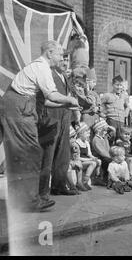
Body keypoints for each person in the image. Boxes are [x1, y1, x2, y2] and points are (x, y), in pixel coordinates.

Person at [0, 40, 79, 212]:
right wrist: (70, 99)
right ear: (50, 53)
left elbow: (48, 102)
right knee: (31, 153)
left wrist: (64, 105)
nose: (61, 58)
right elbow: (52, 95)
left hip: (17, 106)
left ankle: (24, 199)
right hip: (19, 108)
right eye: (59, 54)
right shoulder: (42, 67)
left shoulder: (39, 68)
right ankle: (29, 202)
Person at [36, 49, 79, 198]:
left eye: (67, 60)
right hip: (51, 119)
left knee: (63, 154)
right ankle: (41, 192)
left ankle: (59, 185)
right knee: (47, 156)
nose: (65, 62)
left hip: (64, 118)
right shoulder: (49, 74)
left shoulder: (64, 77)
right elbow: (46, 99)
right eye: (63, 59)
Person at [75, 122, 102, 190]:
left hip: (87, 160)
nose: (89, 135)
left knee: (98, 161)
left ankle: (96, 177)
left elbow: (89, 154)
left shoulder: (86, 143)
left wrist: (93, 158)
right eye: (87, 133)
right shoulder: (76, 143)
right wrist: (90, 160)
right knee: (93, 163)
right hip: (80, 161)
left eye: (89, 133)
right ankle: (85, 181)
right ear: (80, 133)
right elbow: (77, 158)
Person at [91, 120, 116, 186]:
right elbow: (101, 152)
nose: (106, 132)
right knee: (108, 161)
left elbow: (108, 149)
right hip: (99, 156)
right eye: (104, 130)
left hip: (106, 156)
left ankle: (114, 178)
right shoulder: (96, 139)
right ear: (99, 130)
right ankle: (105, 178)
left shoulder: (104, 137)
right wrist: (111, 157)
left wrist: (113, 155)